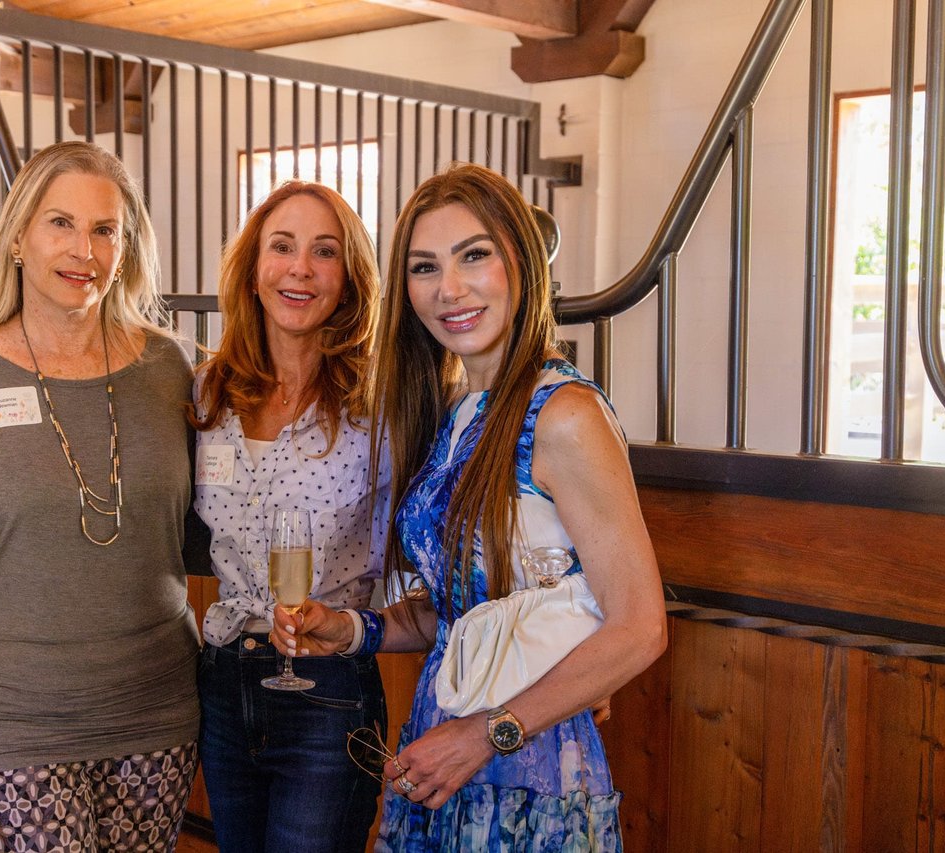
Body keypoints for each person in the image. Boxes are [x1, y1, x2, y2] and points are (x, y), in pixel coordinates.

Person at [273, 163, 667, 851]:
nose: (449, 288)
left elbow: (640, 625)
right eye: (425, 267)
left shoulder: (564, 413)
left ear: (519, 259)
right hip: (445, 742)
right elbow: (466, 612)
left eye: (473, 255)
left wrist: (486, 733)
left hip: (526, 765)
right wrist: (352, 629)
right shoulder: (459, 410)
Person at [0, 141, 200, 853]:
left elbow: (204, 527)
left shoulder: (168, 367)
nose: (81, 248)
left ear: (125, 247)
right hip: (18, 718)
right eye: (60, 222)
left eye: (103, 229)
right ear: (20, 235)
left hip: (159, 707)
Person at [190, 180, 387, 852]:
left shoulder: (380, 410)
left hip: (329, 689)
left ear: (349, 279)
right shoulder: (207, 392)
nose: (300, 267)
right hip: (224, 680)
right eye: (282, 246)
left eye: (324, 251)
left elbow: (436, 546)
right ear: (251, 270)